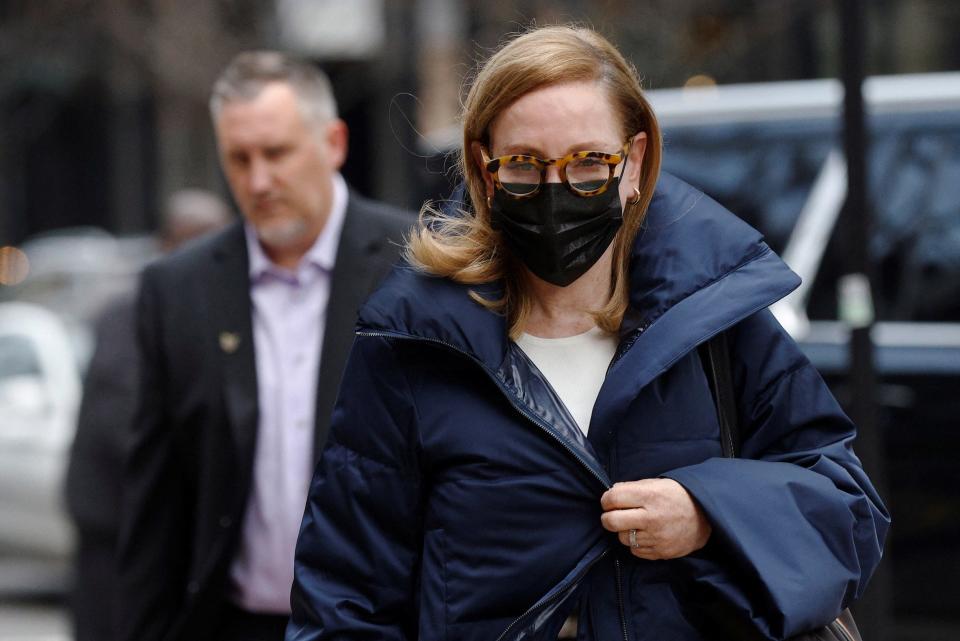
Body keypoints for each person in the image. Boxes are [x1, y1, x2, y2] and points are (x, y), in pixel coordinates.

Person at [287, 25, 889, 641]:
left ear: (634, 164)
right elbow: (344, 597)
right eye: (523, 165)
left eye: (587, 163)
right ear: (483, 171)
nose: (556, 192)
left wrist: (709, 514)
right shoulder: (413, 344)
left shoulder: (716, 321)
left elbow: (849, 515)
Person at [116, 51, 412, 641]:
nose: (257, 181)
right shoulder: (176, 290)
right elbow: (156, 503)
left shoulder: (417, 263)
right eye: (238, 158)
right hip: (230, 623)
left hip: (382, 623)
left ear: (332, 142)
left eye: (275, 153)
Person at [65, 188, 231, 641]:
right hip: (115, 530)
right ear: (170, 244)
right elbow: (125, 419)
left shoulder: (201, 309)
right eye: (203, 242)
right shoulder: (130, 312)